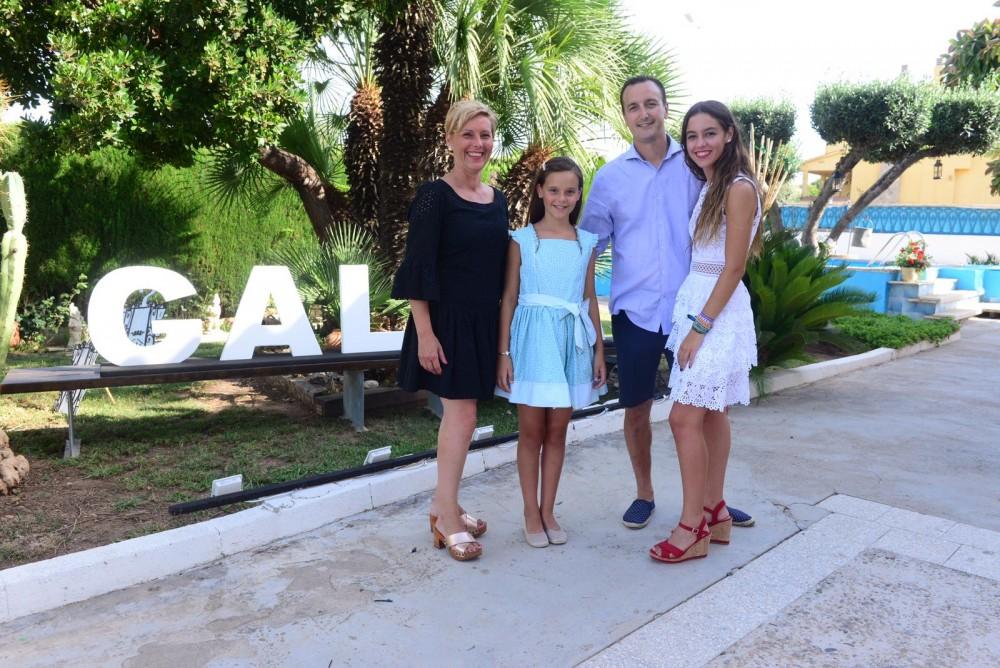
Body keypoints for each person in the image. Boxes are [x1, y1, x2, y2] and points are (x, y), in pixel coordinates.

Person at [579, 76, 755, 532]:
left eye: (651, 103)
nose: (643, 113)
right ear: (625, 116)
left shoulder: (697, 167)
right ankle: (645, 494)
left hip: (693, 313)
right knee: (636, 408)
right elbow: (588, 247)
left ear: (664, 108)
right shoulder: (610, 178)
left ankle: (712, 502)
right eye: (633, 107)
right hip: (636, 312)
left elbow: (728, 238)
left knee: (710, 409)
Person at [391, 100, 510, 562]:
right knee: (462, 416)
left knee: (465, 417)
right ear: (449, 139)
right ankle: (444, 516)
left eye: (485, 134)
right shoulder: (433, 196)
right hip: (445, 324)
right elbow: (417, 268)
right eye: (468, 134)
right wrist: (425, 333)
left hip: (482, 322)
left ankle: (447, 504)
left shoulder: (497, 199)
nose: (478, 144)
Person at [648, 100, 761, 564]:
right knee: (712, 414)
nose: (700, 144)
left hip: (715, 312)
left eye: (709, 133)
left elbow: (733, 267)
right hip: (701, 303)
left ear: (729, 134)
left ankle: (691, 525)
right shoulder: (713, 186)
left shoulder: (738, 187)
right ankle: (715, 511)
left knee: (683, 419)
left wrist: (700, 328)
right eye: (692, 136)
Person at [496, 157, 607, 548]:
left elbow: (589, 299)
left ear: (579, 195)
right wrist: (504, 353)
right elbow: (509, 298)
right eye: (555, 190)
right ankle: (530, 511)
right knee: (531, 431)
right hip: (532, 343)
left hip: (570, 343)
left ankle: (548, 511)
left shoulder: (586, 242)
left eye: (570, 191)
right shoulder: (523, 239)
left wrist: (598, 350)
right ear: (541, 191)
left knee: (558, 431)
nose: (562, 198)